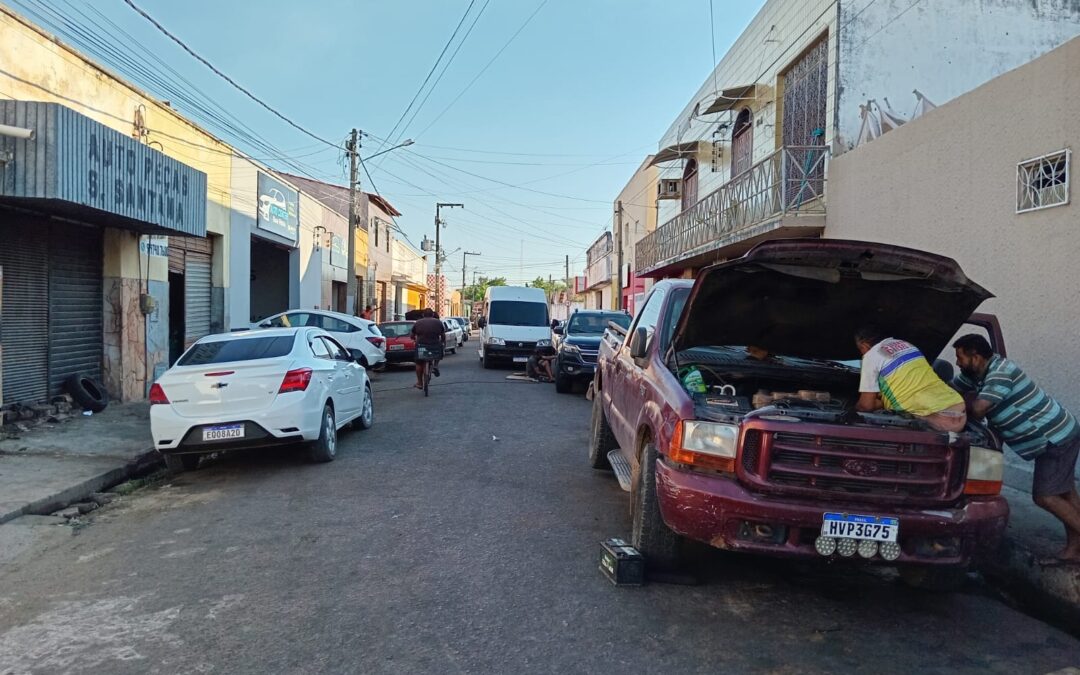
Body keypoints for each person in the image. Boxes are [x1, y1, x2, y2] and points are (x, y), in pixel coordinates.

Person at [953, 334, 1080, 564]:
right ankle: (1074, 551)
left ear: (976, 356)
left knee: (1046, 496)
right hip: (1052, 436)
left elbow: (980, 409)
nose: (957, 363)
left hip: (1054, 436)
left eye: (960, 357)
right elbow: (951, 390)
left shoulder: (1001, 371)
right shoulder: (975, 375)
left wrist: (956, 410)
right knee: (1064, 494)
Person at [853, 326, 967, 432]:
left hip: (936, 418)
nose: (861, 354)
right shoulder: (907, 345)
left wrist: (851, 409)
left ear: (864, 346)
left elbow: (865, 406)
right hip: (958, 406)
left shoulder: (870, 356)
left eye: (860, 350)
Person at [410, 308, 445, 390]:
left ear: (423, 315)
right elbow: (443, 335)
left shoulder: (418, 322)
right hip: (434, 345)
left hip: (421, 345)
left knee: (419, 363)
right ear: (433, 314)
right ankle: (436, 365)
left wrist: (414, 339)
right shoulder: (438, 322)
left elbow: (412, 335)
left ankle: (420, 382)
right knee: (438, 352)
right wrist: (443, 342)